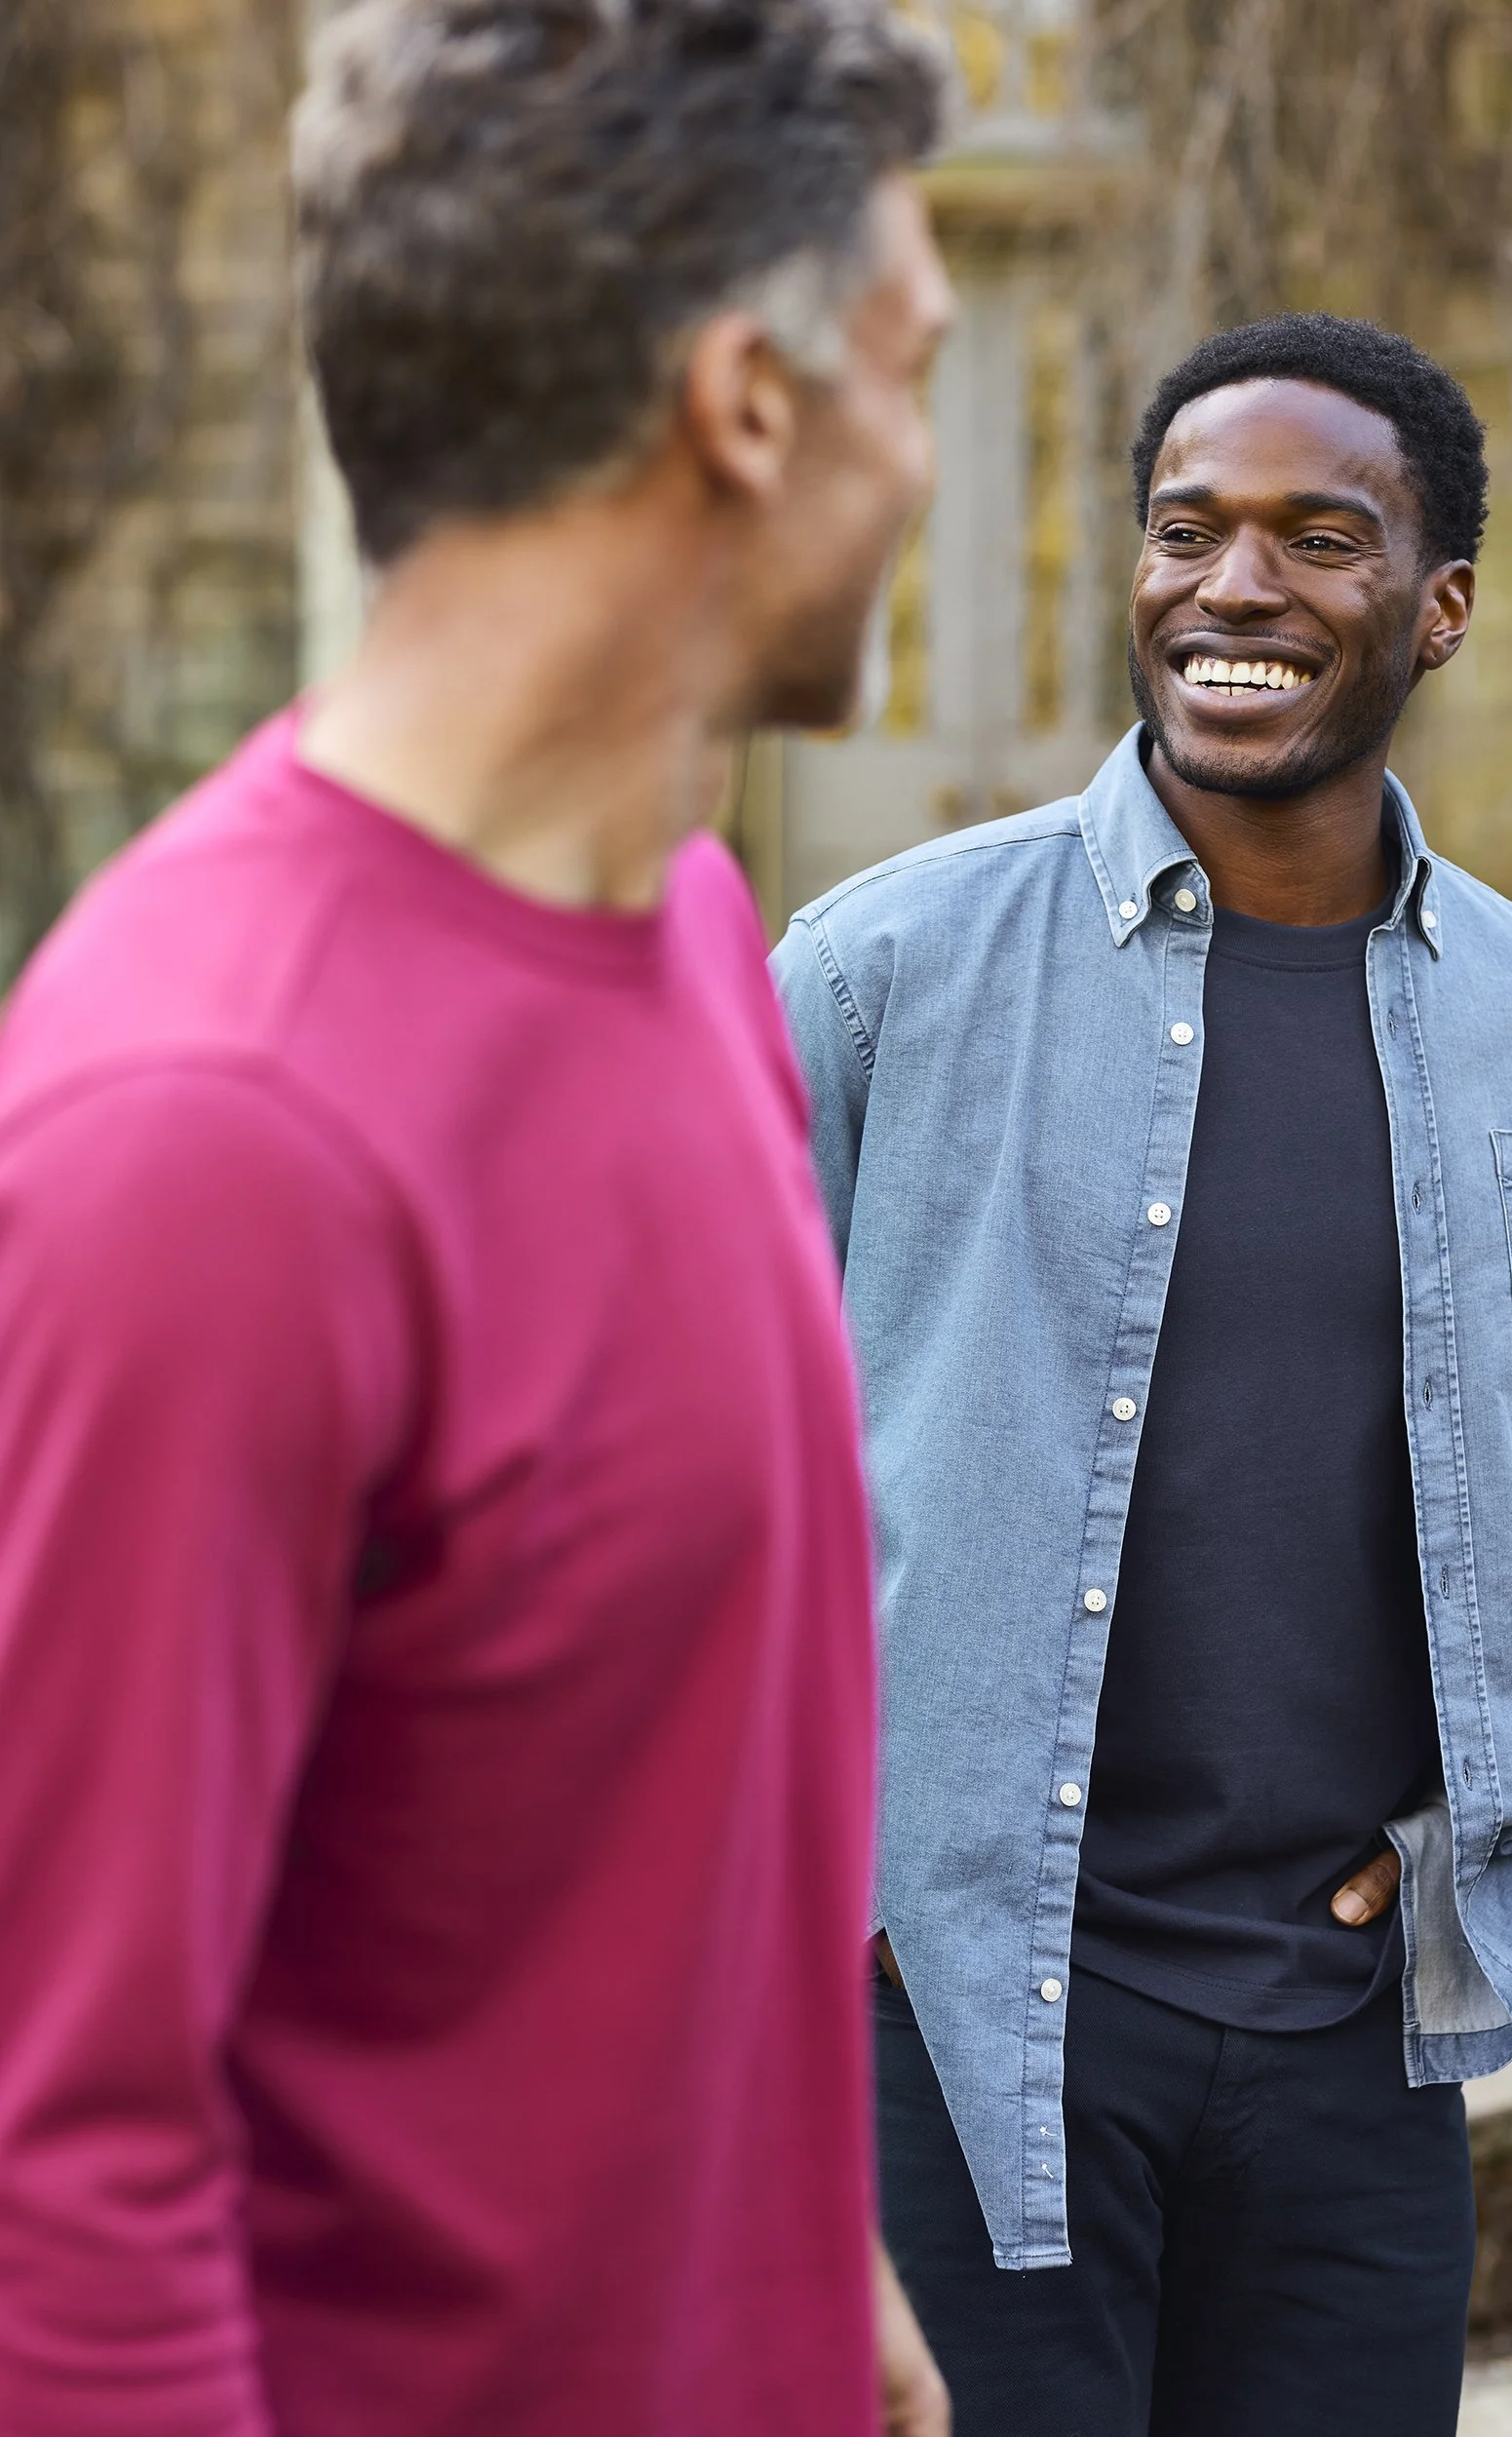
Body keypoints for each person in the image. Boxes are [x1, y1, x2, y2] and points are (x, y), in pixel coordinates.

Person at [0, 2, 956, 2431]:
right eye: (910, 366)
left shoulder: (695, 946)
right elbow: (62, 2186)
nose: (931, 462)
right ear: (748, 403)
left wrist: (815, 2270)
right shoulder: (214, 1136)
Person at [771, 311, 1512, 2436]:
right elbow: (688, 1457)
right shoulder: (874, 975)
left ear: (1432, 608)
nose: (1230, 584)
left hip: (1363, 2034)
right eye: (1184, 528)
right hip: (951, 2022)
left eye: (1314, 536)